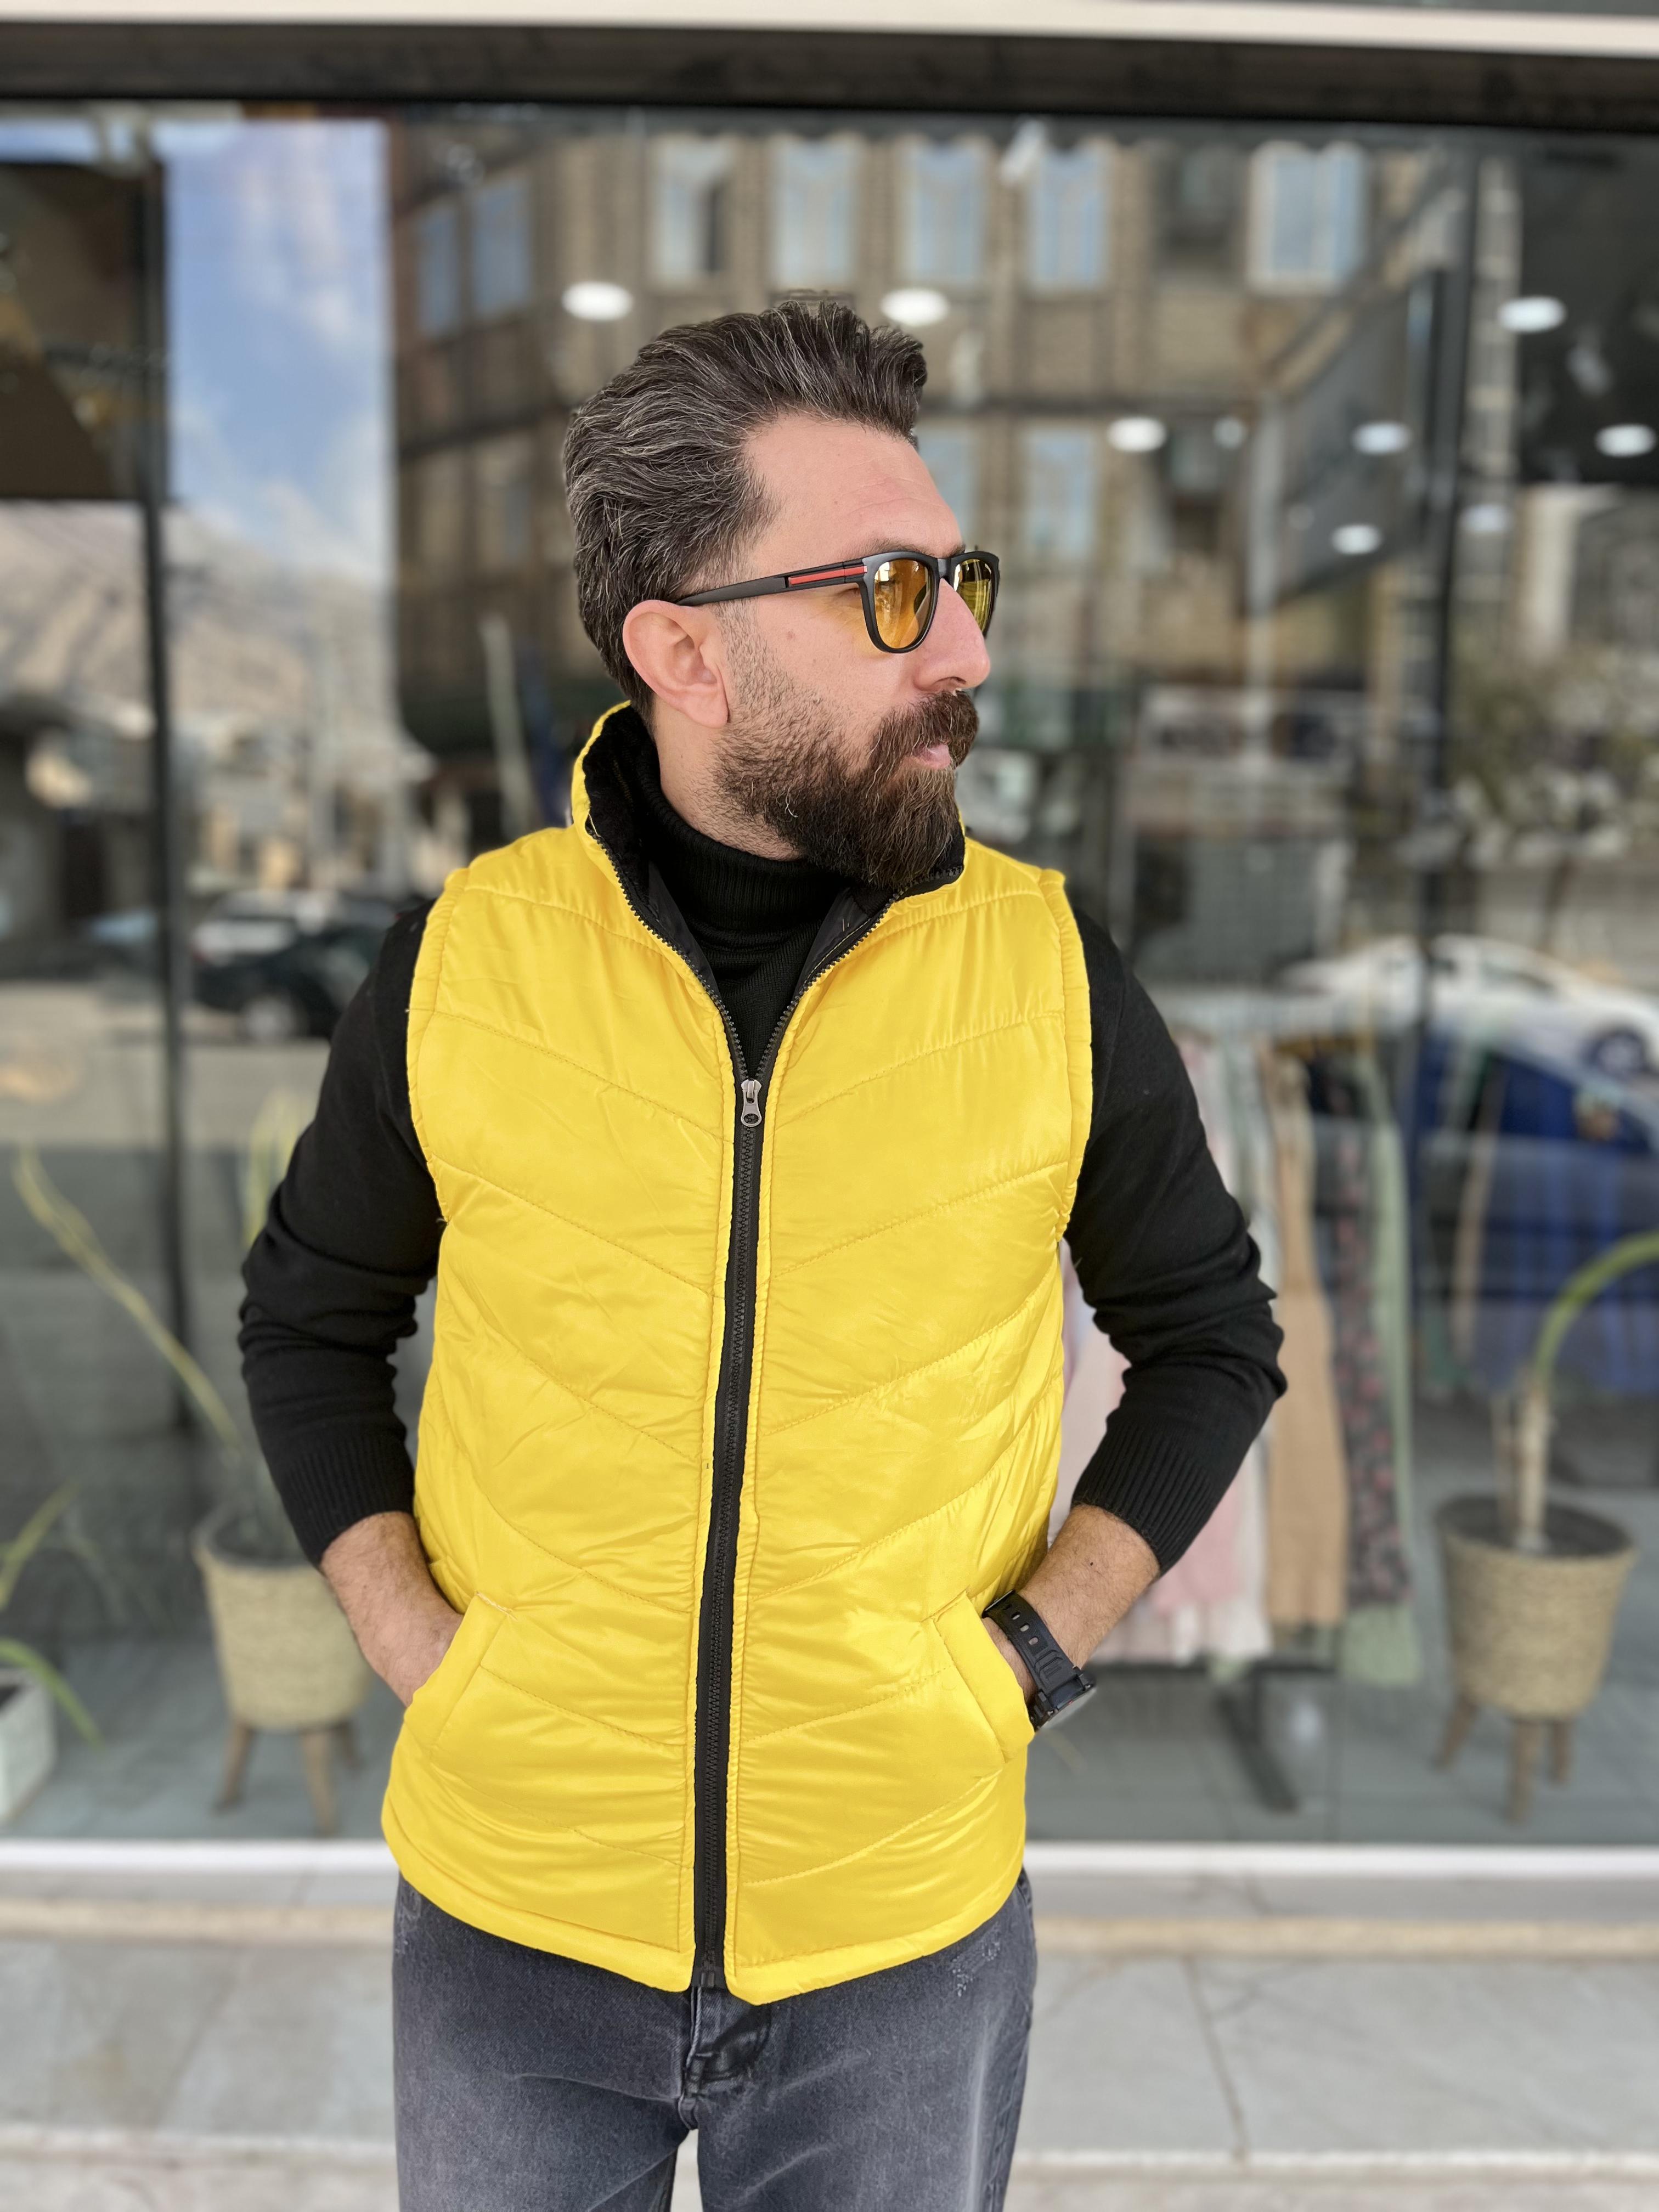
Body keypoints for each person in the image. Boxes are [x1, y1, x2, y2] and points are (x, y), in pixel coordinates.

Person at [241, 300, 1283, 2212]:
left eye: (961, 578)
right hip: (513, 1924)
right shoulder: (466, 964)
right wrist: (420, 1647)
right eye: (891, 592)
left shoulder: (1046, 973)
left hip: (902, 1933)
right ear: (684, 651)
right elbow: (308, 1324)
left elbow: (1214, 1341)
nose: (966, 650)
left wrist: (1021, 1663)